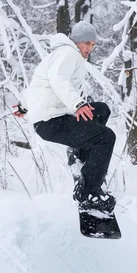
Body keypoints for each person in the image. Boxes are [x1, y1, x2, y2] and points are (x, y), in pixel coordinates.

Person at [14, 21, 116, 213]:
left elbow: (40, 83)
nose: (90, 49)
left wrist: (24, 106)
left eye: (93, 45)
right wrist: (77, 104)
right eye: (87, 43)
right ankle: (88, 194)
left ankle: (80, 157)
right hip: (52, 121)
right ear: (77, 41)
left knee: (101, 110)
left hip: (51, 118)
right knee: (106, 138)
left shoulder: (58, 55)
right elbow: (58, 79)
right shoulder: (69, 54)